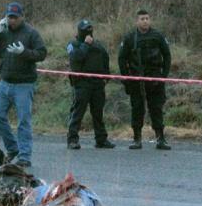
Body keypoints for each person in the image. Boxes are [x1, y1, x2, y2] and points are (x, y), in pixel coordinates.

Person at [0, 2, 47, 168]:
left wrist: (24, 53)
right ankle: (13, 148)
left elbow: (42, 53)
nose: (11, 20)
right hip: (5, 82)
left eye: (14, 17)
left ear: (21, 17)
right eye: (9, 17)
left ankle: (25, 155)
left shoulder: (31, 33)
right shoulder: (2, 32)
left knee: (23, 121)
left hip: (24, 84)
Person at [118, 9, 171, 150]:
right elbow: (121, 59)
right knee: (137, 109)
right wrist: (126, 79)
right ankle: (137, 139)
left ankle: (160, 138)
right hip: (137, 80)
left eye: (147, 18)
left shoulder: (157, 36)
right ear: (137, 21)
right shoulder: (130, 38)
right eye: (142, 19)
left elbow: (167, 55)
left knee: (156, 109)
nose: (145, 21)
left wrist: (163, 76)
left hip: (155, 80)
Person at [66, 19, 116, 149]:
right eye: (85, 30)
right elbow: (76, 58)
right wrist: (86, 45)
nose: (88, 33)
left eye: (90, 29)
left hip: (97, 84)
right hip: (82, 83)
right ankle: (72, 139)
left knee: (98, 113)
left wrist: (106, 77)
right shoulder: (74, 44)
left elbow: (105, 60)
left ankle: (101, 139)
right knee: (78, 112)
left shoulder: (98, 45)